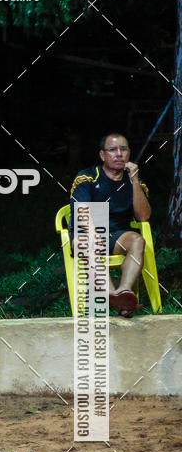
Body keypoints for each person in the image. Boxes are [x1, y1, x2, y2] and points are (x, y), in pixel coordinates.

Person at [69, 132, 151, 317]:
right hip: (85, 236)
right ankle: (113, 296)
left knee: (137, 240)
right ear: (102, 155)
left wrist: (135, 180)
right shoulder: (87, 177)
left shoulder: (134, 181)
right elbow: (82, 211)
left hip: (117, 235)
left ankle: (124, 291)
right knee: (92, 241)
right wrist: (93, 234)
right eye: (113, 150)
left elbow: (143, 217)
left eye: (123, 149)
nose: (119, 154)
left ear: (129, 153)